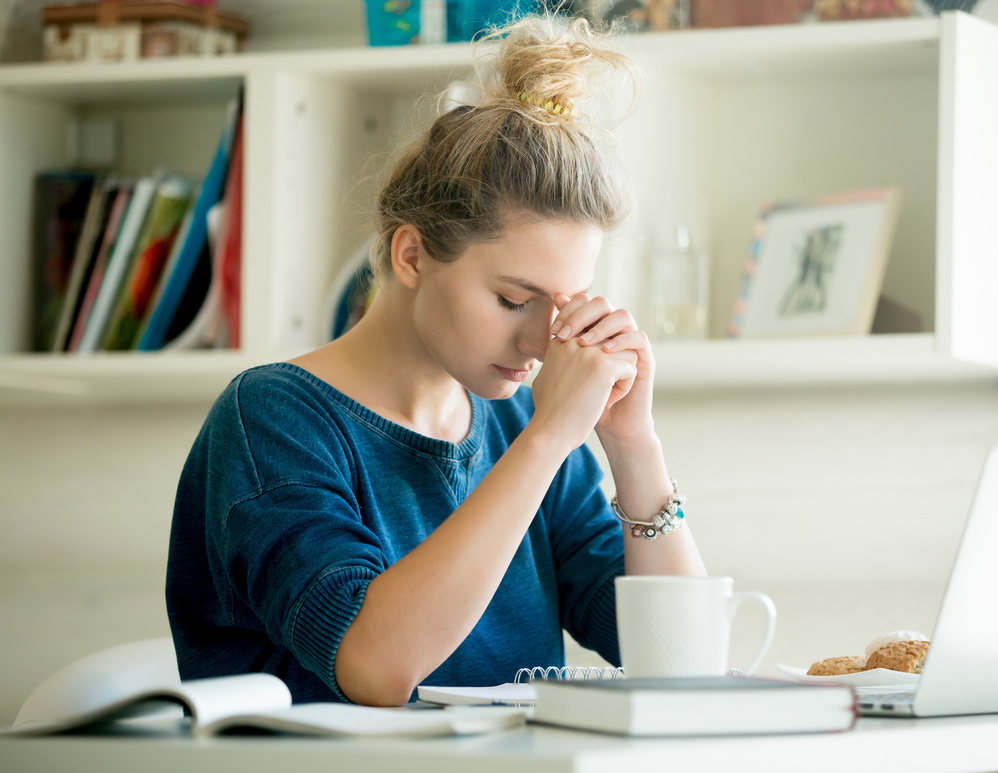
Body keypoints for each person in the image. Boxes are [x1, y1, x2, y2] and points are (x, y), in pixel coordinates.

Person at [165, 15, 706, 708]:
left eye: (561, 306)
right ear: (412, 255)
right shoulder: (272, 418)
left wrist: (635, 447)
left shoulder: (518, 423)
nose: (544, 341)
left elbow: (678, 663)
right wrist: (547, 441)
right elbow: (375, 666)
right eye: (514, 299)